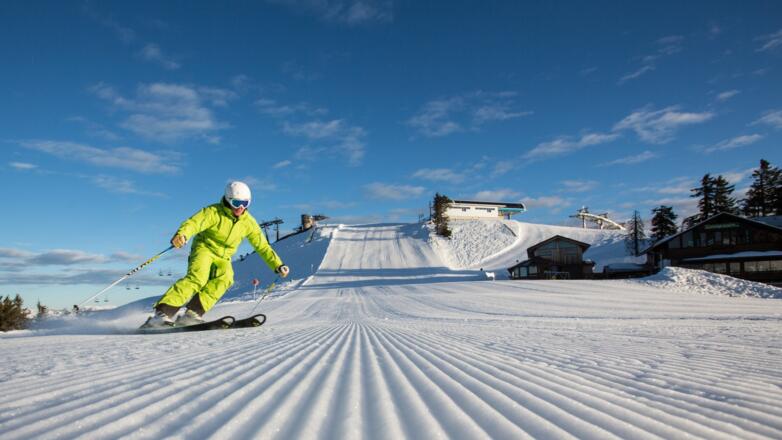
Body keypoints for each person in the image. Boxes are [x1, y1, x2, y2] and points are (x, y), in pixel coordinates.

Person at [143, 181, 289, 328]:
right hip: (204, 248)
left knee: (225, 279)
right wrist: (182, 235)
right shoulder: (213, 212)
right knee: (198, 278)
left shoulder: (248, 222)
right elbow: (194, 223)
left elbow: (262, 246)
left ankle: (192, 313)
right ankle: (162, 313)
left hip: (224, 257)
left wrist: (277, 264)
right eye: (236, 202)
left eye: (245, 203)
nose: (240, 208)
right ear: (228, 199)